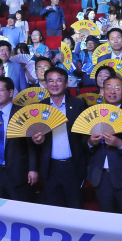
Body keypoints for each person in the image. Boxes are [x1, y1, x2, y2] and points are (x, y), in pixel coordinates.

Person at [81, 76, 122, 214]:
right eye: (108, 87)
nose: (112, 91)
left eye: (117, 88)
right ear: (103, 91)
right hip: (100, 176)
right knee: (106, 217)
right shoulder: (93, 113)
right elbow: (83, 141)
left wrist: (119, 143)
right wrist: (90, 142)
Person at [32, 68, 87, 209]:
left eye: (59, 80)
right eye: (50, 80)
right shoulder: (39, 108)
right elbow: (32, 141)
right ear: (45, 84)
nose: (54, 84)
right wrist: (37, 141)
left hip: (73, 165)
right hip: (50, 167)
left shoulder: (78, 104)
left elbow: (85, 136)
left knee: (76, 208)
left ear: (66, 83)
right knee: (54, 210)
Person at [0, 77, 38, 201]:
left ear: (11, 92)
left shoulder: (22, 113)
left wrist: (33, 169)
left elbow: (31, 146)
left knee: (19, 208)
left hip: (18, 172)